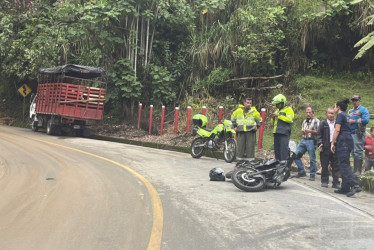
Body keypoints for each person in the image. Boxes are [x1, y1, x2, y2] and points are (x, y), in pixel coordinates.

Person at [331, 98, 362, 197]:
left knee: (343, 164)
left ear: (338, 107)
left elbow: (337, 130)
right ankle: (345, 187)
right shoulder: (346, 116)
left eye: (334, 106)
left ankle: (355, 185)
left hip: (343, 140)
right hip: (348, 140)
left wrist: (333, 142)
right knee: (345, 162)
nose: (333, 108)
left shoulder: (340, 115)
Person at [316, 108, 340, 188]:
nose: (331, 115)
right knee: (325, 165)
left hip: (335, 146)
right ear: (326, 114)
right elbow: (319, 135)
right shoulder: (323, 123)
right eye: (329, 113)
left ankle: (336, 182)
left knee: (335, 165)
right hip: (325, 146)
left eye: (332, 113)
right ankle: (324, 181)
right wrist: (320, 143)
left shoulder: (337, 123)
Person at [294, 107, 319, 181]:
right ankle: (301, 171)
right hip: (304, 139)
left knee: (312, 158)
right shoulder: (304, 121)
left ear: (313, 113)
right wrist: (304, 131)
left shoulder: (316, 121)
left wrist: (310, 131)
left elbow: (319, 132)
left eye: (309, 112)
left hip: (311, 140)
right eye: (307, 112)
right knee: (296, 155)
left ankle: (312, 174)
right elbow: (302, 130)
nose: (308, 114)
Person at [348, 94, 370, 176]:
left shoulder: (363, 109)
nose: (354, 102)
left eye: (356, 100)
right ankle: (354, 170)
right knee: (353, 152)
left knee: (358, 151)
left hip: (358, 133)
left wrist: (355, 121)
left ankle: (358, 171)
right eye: (353, 100)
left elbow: (366, 120)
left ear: (359, 101)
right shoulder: (351, 111)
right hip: (351, 133)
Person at [271, 94, 294, 161]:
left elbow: (290, 120)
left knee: (283, 151)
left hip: (284, 133)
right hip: (276, 132)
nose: (276, 105)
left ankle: (284, 167)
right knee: (277, 151)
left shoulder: (288, 109)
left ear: (282, 103)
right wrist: (273, 118)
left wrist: (279, 116)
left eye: (278, 104)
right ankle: (278, 166)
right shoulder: (277, 111)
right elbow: (273, 123)